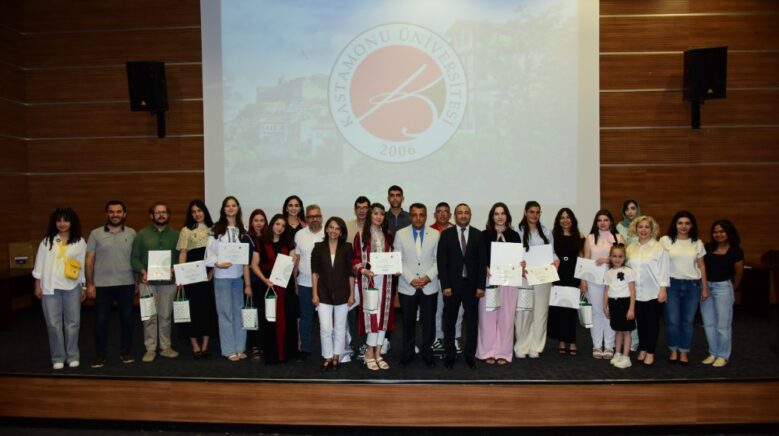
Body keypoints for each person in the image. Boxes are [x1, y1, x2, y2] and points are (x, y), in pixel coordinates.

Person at [33, 208, 87, 369]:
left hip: (72, 287)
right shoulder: (47, 241)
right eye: (59, 220)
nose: (62, 224)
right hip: (50, 288)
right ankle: (57, 357)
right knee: (53, 324)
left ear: (72, 222)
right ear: (54, 223)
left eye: (66, 220)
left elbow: (82, 266)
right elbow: (39, 265)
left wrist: (83, 286)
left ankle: (72, 356)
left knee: (73, 323)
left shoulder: (80, 242)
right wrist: (37, 285)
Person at [86, 200, 137, 368]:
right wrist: (90, 284)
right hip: (102, 285)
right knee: (101, 321)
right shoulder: (95, 234)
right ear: (106, 214)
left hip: (126, 283)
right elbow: (89, 260)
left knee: (127, 320)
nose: (115, 214)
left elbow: (135, 259)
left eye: (118, 211)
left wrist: (136, 281)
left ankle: (126, 351)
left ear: (124, 214)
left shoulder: (132, 233)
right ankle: (100, 354)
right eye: (112, 211)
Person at [131, 202, 180, 363]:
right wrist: (142, 271)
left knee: (165, 316)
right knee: (149, 316)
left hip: (168, 283)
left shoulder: (176, 235)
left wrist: (173, 269)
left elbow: (180, 258)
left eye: (164, 212)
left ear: (168, 215)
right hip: (147, 283)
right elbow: (134, 258)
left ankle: (165, 347)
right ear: (151, 216)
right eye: (157, 212)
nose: (161, 215)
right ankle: (150, 348)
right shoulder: (141, 235)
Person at [205, 196, 253, 361]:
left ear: (238, 208)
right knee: (225, 314)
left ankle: (240, 347)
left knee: (239, 313)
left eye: (233, 205)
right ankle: (228, 349)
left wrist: (247, 283)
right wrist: (217, 264)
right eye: (227, 206)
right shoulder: (216, 230)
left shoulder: (243, 230)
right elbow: (208, 256)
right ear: (223, 209)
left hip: (237, 278)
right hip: (222, 278)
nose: (231, 208)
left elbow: (246, 259)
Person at [437, 203, 483, 369]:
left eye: (466, 213)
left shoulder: (478, 235)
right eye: (460, 213)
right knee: (449, 322)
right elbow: (442, 262)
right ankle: (449, 355)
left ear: (470, 215)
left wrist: (480, 286)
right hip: (452, 286)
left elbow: (481, 262)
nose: (463, 215)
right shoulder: (446, 234)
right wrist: (445, 285)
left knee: (472, 322)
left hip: (472, 287)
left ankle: (470, 355)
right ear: (454, 216)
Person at [660, 210, 709, 366]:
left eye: (687, 223)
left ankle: (684, 351)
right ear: (675, 224)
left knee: (687, 322)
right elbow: (660, 264)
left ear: (692, 225)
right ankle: (673, 350)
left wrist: (705, 287)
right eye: (680, 223)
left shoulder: (697, 243)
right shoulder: (665, 241)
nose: (683, 226)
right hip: (672, 285)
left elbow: (701, 265)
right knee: (673, 321)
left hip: (692, 286)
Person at [394, 203, 440, 367]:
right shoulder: (400, 234)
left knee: (429, 322)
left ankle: (428, 353)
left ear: (426, 217)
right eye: (414, 215)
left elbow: (438, 260)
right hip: (408, 286)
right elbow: (398, 259)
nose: (418, 218)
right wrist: (411, 279)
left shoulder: (435, 234)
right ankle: (408, 353)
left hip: (429, 286)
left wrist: (427, 277)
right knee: (407, 322)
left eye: (421, 215)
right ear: (410, 217)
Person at [352, 203, 396, 371]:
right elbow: (355, 260)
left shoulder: (387, 235)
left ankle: (378, 352)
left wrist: (395, 268)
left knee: (383, 318)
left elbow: (391, 258)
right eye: (376, 213)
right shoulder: (361, 236)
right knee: (373, 318)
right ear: (370, 215)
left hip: (386, 282)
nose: (379, 217)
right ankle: (369, 353)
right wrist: (363, 270)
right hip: (369, 282)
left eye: (382, 214)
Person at [476, 202, 521, 366]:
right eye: (496, 214)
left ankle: (503, 352)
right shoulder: (484, 235)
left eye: (503, 213)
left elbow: (518, 258)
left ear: (507, 216)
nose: (500, 217)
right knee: (487, 318)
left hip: (509, 282)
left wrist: (520, 265)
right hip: (489, 281)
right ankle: (487, 351)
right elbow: (480, 257)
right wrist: (485, 267)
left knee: (507, 318)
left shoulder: (515, 235)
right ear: (492, 216)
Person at [251, 214, 299, 364]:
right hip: (267, 285)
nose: (280, 228)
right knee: (269, 320)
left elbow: (292, 263)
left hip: (285, 286)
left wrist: (294, 260)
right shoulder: (260, 242)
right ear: (272, 224)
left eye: (283, 226)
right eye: (278, 224)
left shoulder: (288, 242)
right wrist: (264, 279)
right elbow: (254, 265)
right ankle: (272, 355)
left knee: (288, 318)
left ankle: (287, 353)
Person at [311, 217, 355, 371]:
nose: (333, 231)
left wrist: (352, 295)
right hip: (323, 294)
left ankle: (337, 355)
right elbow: (315, 273)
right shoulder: (318, 247)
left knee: (340, 327)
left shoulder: (347, 247)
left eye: (337, 228)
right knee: (325, 328)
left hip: (343, 294)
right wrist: (314, 294)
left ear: (341, 231)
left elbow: (351, 274)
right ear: (326, 229)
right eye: (331, 227)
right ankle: (327, 356)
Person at [626, 215, 669, 367]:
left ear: (652, 230)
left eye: (647, 227)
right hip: (636, 293)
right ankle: (643, 348)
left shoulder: (659, 247)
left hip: (653, 292)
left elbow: (664, 270)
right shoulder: (630, 247)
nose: (643, 230)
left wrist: (663, 289)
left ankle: (650, 351)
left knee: (652, 324)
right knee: (641, 323)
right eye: (640, 227)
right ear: (636, 229)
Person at [581, 209, 625, 360]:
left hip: (614, 280)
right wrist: (583, 281)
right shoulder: (590, 238)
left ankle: (609, 346)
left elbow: (625, 258)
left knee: (610, 312)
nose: (603, 223)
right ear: (596, 222)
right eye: (599, 220)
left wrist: (607, 260)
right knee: (597, 312)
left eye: (606, 220)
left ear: (611, 222)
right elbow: (586, 260)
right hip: (594, 281)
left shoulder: (618, 237)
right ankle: (597, 345)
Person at [515, 201, 555, 359]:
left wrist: (555, 262)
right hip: (524, 277)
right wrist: (520, 267)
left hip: (543, 278)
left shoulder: (545, 231)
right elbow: (514, 254)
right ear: (525, 212)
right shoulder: (518, 231)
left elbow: (553, 253)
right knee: (524, 312)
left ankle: (536, 346)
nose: (535, 215)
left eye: (538, 212)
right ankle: (521, 345)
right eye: (531, 212)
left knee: (540, 313)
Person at [176, 200, 217, 360]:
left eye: (199, 210)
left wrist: (212, 271)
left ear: (205, 211)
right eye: (193, 211)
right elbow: (183, 253)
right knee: (191, 310)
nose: (197, 214)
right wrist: (181, 276)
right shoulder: (186, 230)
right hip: (191, 274)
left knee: (206, 309)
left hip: (207, 274)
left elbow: (215, 254)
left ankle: (205, 345)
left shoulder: (213, 230)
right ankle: (195, 345)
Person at [701, 219, 743, 368]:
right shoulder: (707, 247)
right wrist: (704, 286)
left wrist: (732, 288)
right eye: (715, 232)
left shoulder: (735, 250)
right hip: (706, 288)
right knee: (708, 324)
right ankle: (713, 353)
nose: (718, 234)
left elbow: (739, 272)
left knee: (723, 325)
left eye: (721, 231)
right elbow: (701, 267)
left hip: (723, 288)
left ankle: (723, 355)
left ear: (728, 233)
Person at [548, 208, 583, 356]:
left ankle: (572, 340)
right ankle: (561, 340)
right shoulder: (552, 235)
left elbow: (582, 259)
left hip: (573, 276)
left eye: (568, 217)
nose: (565, 220)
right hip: (558, 276)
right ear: (558, 220)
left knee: (571, 309)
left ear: (572, 219)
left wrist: (583, 280)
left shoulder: (579, 236)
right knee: (558, 309)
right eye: (562, 217)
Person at [293, 204, 325, 361]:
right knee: (305, 318)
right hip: (305, 283)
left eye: (317, 216)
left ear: (321, 217)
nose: (314, 219)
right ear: (306, 218)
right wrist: (295, 281)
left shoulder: (329, 233)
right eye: (311, 216)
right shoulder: (299, 234)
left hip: (325, 284)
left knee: (326, 319)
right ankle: (305, 349)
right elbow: (297, 259)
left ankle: (327, 349)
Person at [430, 201, 462, 356]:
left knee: (457, 310)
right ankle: (438, 337)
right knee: (437, 309)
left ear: (450, 215)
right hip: (435, 278)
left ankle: (454, 338)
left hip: (455, 278)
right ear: (435, 214)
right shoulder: (429, 231)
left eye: (445, 212)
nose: (442, 214)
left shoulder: (457, 230)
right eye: (439, 211)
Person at [603, 244, 637, 369]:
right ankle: (617, 353)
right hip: (613, 303)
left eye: (620, 256)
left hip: (625, 303)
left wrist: (631, 308)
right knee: (617, 330)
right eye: (614, 256)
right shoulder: (608, 273)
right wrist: (605, 306)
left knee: (626, 331)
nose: (617, 259)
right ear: (610, 257)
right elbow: (606, 290)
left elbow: (633, 291)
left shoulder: (629, 272)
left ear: (624, 258)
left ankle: (626, 357)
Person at [345, 196, 370, 359]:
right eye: (359, 207)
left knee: (366, 313)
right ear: (355, 209)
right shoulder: (346, 226)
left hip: (368, 278)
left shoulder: (374, 227)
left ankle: (363, 344)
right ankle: (350, 344)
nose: (362, 210)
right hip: (349, 278)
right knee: (350, 314)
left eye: (365, 207)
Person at [616, 199, 642, 351]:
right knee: (627, 307)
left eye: (633, 208)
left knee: (638, 308)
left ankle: (636, 341)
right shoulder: (620, 226)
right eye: (627, 209)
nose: (630, 212)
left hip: (641, 271)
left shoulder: (644, 224)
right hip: (625, 270)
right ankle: (628, 340)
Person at [246, 208, 269, 360]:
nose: (259, 224)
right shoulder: (247, 239)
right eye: (256, 221)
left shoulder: (268, 238)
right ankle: (254, 346)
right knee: (253, 315)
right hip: (253, 283)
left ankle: (264, 344)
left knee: (265, 315)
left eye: (262, 221)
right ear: (251, 222)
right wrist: (247, 285)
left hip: (267, 282)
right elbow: (245, 264)